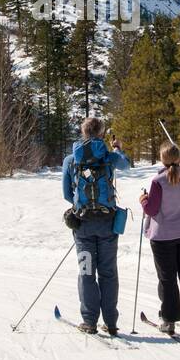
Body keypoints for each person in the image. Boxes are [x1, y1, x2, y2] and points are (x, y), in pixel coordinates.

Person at [62, 116, 130, 336]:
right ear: (101, 133)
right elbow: (126, 165)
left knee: (87, 272)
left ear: (83, 132)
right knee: (108, 272)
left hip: (82, 227)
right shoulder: (109, 157)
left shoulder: (71, 160)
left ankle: (89, 321)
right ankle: (110, 322)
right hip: (108, 224)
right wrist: (117, 149)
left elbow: (66, 194)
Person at [139, 142, 180, 334]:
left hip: (164, 235)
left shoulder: (159, 181)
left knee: (167, 278)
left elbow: (152, 209)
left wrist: (143, 200)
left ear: (162, 159)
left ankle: (169, 320)